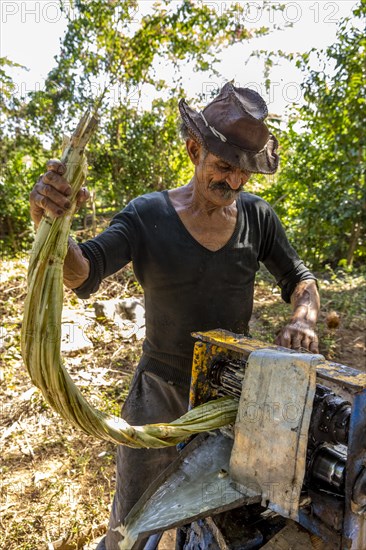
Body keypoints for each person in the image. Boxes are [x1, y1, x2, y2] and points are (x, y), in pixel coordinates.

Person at [30, 83, 320, 549]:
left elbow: (300, 278)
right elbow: (84, 272)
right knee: (132, 521)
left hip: (230, 395)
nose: (235, 183)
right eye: (225, 167)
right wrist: (51, 224)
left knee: (226, 508)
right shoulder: (149, 215)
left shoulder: (258, 218)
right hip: (158, 392)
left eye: (245, 172)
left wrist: (304, 317)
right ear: (193, 149)